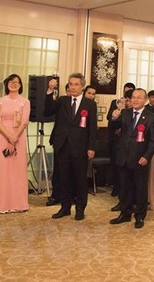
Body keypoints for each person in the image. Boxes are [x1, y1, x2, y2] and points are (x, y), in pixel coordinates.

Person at [45, 73, 97, 221]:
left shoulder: (89, 104)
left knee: (80, 179)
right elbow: (47, 110)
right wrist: (50, 90)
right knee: (63, 178)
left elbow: (92, 128)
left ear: (82, 87)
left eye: (76, 84)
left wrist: (91, 147)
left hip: (80, 147)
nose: (72, 87)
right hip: (62, 145)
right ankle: (65, 207)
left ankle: (80, 208)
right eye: (70, 84)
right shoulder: (62, 101)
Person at [109, 88, 154, 228]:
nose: (135, 100)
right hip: (124, 157)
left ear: (145, 100)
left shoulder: (150, 116)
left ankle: (140, 216)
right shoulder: (125, 113)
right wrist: (113, 117)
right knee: (124, 188)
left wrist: (147, 157)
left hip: (140, 159)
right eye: (133, 97)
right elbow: (113, 127)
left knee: (140, 189)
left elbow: (153, 140)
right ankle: (125, 213)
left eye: (139, 97)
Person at [0, 74, 30, 213]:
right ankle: (1, 204)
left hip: (18, 137)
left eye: (17, 82)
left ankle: (19, 204)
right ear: (6, 84)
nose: (14, 84)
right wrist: (9, 138)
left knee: (17, 171)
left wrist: (14, 138)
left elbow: (24, 122)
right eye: (11, 82)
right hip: (2, 136)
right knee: (3, 170)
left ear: (20, 85)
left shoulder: (25, 101)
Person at [107, 82, 135, 198]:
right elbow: (110, 120)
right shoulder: (116, 102)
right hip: (117, 140)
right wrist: (116, 115)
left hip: (131, 144)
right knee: (117, 166)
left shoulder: (134, 110)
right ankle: (116, 188)